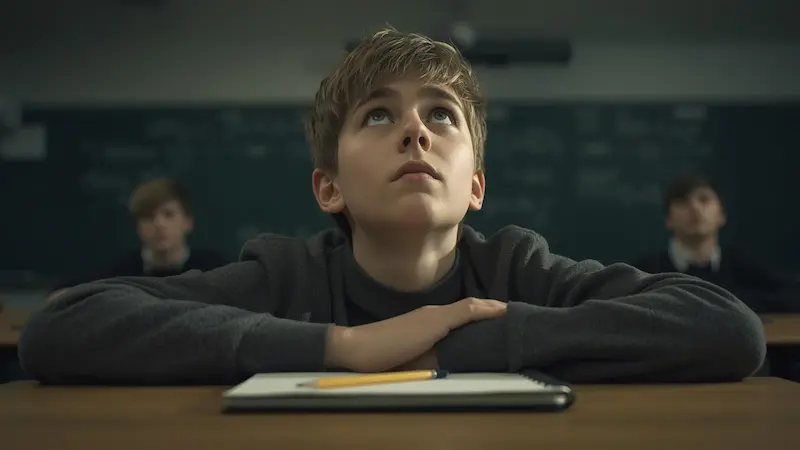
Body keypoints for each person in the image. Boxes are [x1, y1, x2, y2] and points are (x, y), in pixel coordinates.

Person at [18, 28, 765, 385]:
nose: (416, 129)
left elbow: (727, 328)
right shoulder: (286, 277)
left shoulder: (517, 269)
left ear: (476, 187)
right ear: (330, 188)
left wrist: (450, 351)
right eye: (378, 115)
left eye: (442, 114)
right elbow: (60, 328)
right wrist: (343, 348)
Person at [633, 174, 799, 314]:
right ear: (668, 220)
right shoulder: (645, 271)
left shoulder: (740, 263)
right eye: (682, 202)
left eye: (704, 200)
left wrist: (731, 301)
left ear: (721, 216)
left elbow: (793, 295)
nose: (695, 207)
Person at [48, 178, 227, 301]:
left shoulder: (212, 268)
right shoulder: (121, 272)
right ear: (138, 226)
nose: (159, 224)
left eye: (169, 214)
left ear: (188, 222)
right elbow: (67, 291)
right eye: (148, 217)